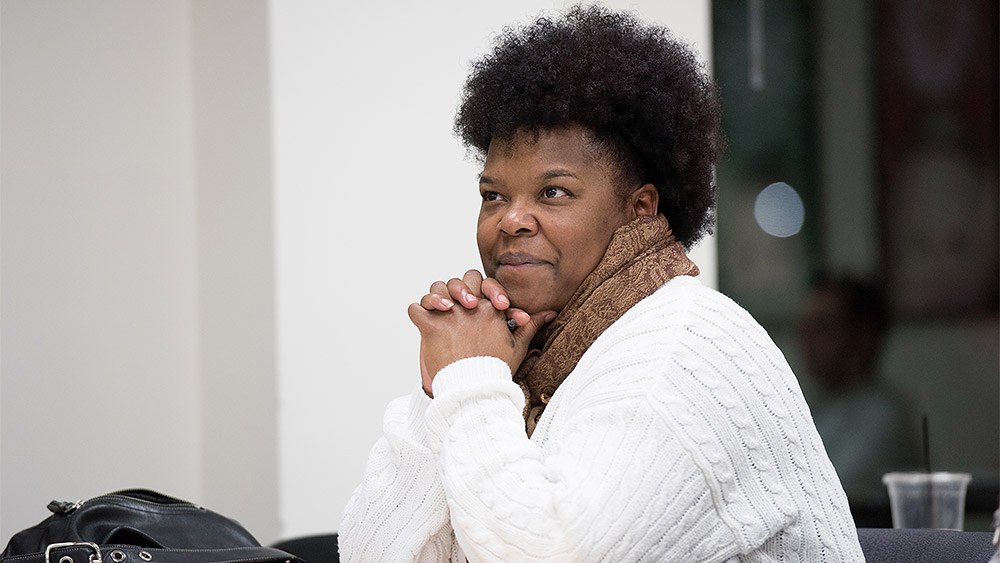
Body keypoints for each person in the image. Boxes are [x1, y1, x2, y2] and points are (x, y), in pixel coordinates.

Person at [339, 6, 864, 562]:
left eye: (554, 192)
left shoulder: (681, 349)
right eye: (493, 195)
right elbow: (375, 552)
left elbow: (554, 554)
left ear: (639, 209)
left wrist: (469, 384)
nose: (510, 220)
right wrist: (451, 384)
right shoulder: (528, 356)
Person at [799, 275, 918, 526]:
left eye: (822, 326)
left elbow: (816, 492)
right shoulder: (813, 404)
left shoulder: (883, 415)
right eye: (806, 325)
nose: (805, 338)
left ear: (863, 335)